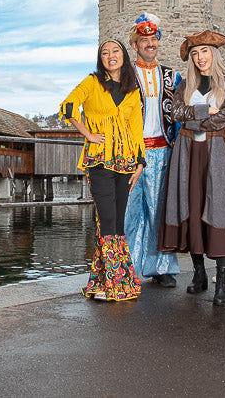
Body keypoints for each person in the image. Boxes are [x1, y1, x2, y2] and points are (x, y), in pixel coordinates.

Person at [159, 29, 225, 306]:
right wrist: (207, 111)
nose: (200, 57)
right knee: (191, 206)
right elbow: (175, 112)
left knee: (217, 207)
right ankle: (198, 274)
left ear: (214, 53)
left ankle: (221, 280)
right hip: (186, 151)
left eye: (204, 51)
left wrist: (197, 118)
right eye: (195, 54)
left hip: (215, 151)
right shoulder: (186, 84)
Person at [60, 39, 146, 301]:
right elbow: (68, 106)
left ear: (124, 56)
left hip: (125, 160)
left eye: (115, 51)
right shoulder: (92, 82)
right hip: (99, 159)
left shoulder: (132, 89)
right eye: (105, 53)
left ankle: (105, 281)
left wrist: (140, 163)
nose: (111, 56)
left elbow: (137, 128)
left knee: (118, 221)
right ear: (101, 59)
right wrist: (88, 133)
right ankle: (114, 283)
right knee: (106, 218)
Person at [124, 13, 182, 287]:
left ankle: (162, 267)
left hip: (162, 150)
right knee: (130, 212)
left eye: (152, 39)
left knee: (159, 210)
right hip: (131, 154)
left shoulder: (173, 76)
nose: (149, 44)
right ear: (134, 45)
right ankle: (129, 269)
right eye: (143, 40)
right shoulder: (123, 76)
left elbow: (182, 113)